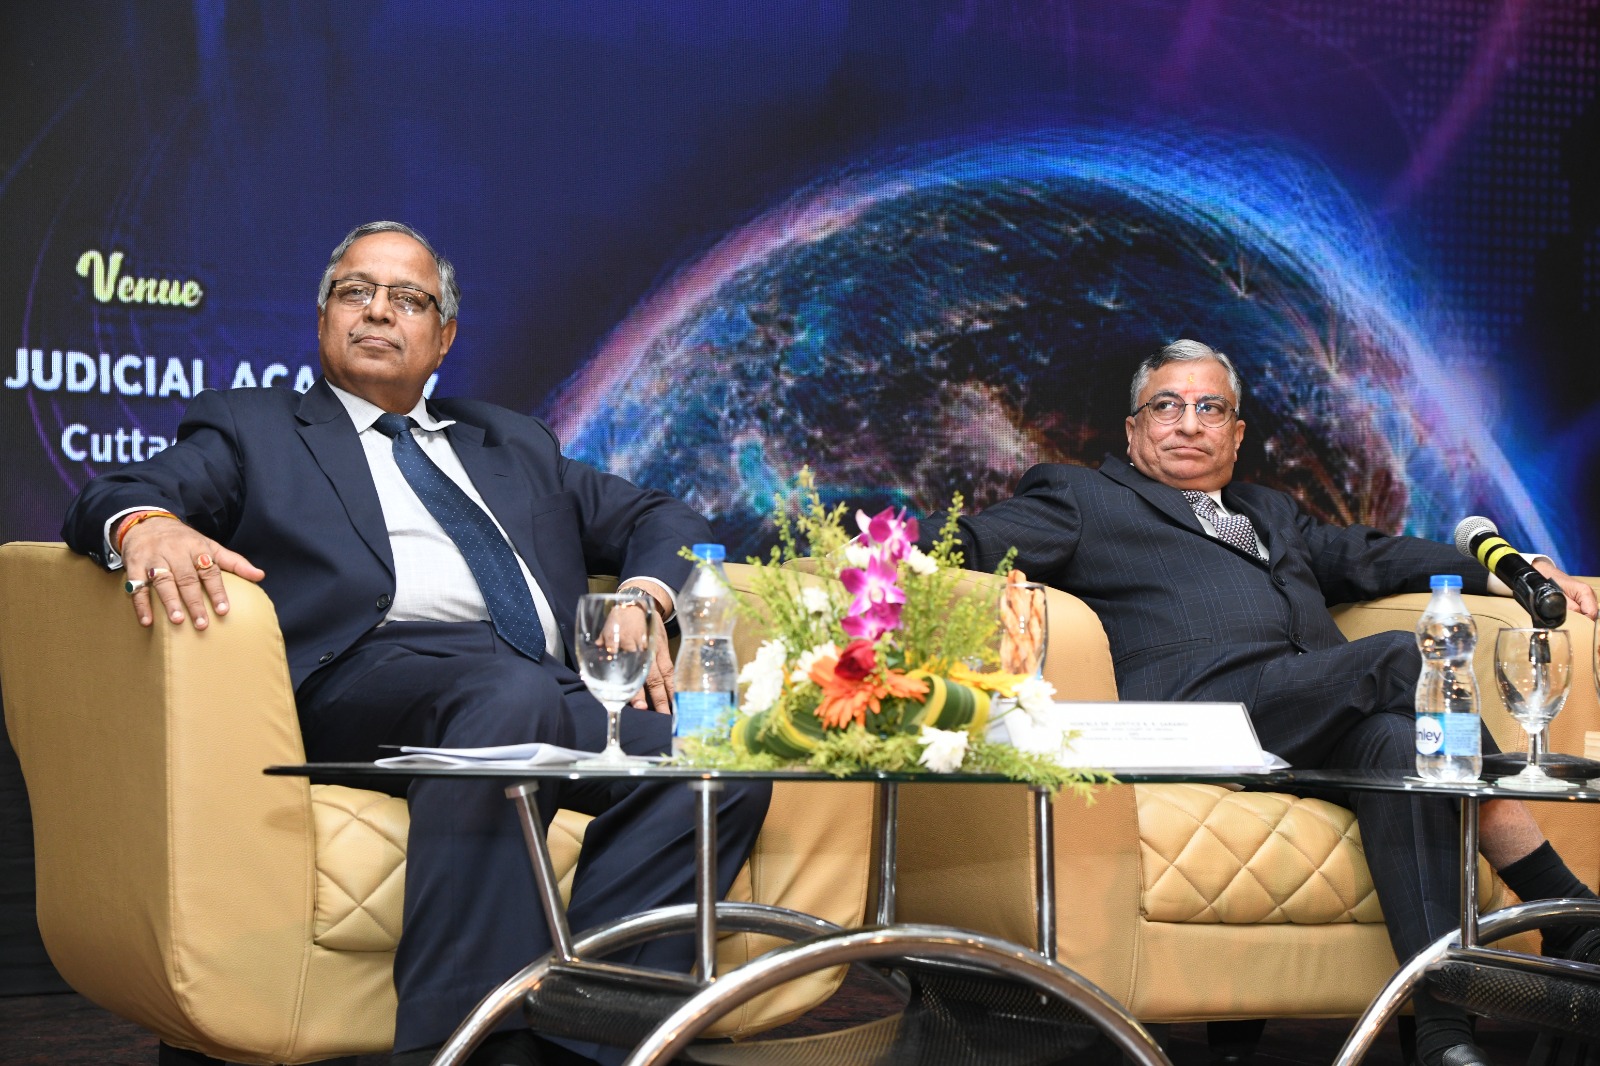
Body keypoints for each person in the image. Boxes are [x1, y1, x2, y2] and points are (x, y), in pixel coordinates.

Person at [62, 220, 770, 1066]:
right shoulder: (254, 427)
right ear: (324, 317)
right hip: (365, 684)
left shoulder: (513, 443)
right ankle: (469, 1047)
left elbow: (664, 516)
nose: (377, 311)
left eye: (407, 298)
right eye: (355, 292)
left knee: (717, 759)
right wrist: (145, 525)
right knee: (512, 697)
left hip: (539, 689)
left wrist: (646, 595)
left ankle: (594, 1032)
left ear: (444, 337)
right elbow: (122, 492)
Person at [933, 338, 1599, 1066]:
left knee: (1396, 742)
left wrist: (1514, 573)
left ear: (1236, 432)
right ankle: (1559, 899)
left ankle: (1444, 1036)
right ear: (1133, 428)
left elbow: (1372, 556)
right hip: (1200, 720)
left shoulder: (1270, 512)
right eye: (1166, 406)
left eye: (1210, 408)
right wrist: (871, 559)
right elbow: (970, 545)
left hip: (1309, 719)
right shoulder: (1080, 498)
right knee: (1407, 655)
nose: (1189, 423)